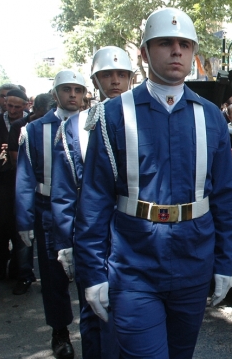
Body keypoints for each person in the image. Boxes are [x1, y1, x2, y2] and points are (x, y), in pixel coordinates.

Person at [74, 7, 232, 358]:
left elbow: (225, 197)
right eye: (165, 42)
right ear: (144, 52)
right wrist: (91, 273)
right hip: (134, 268)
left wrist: (225, 263)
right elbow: (94, 202)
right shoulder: (112, 115)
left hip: (194, 264)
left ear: (194, 53)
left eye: (185, 44)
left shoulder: (211, 116)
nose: (176, 51)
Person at [51, 46, 134, 358]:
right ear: (96, 79)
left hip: (132, 235)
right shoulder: (75, 125)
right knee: (93, 312)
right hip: (91, 235)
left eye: (121, 74)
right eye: (106, 75)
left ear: (131, 77)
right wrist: (65, 242)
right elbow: (64, 190)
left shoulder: (145, 118)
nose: (114, 81)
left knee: (133, 315)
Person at [16, 70, 87, 359]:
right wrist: (24, 219)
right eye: (66, 89)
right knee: (54, 274)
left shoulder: (93, 125)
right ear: (55, 93)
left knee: (91, 272)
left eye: (78, 89)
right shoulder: (34, 130)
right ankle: (60, 332)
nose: (73, 95)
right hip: (48, 210)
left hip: (87, 210)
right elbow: (24, 177)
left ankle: (95, 328)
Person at [9, 93, 53, 295]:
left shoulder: (59, 127)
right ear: (35, 110)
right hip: (30, 191)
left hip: (49, 196)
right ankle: (24, 275)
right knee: (25, 239)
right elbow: (19, 162)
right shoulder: (24, 128)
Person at [0, 89, 29, 281]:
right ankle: (1, 266)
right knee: (2, 225)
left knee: (22, 229)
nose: (12, 110)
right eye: (9, 106)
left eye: (17, 107)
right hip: (2, 182)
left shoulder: (29, 123)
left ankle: (20, 273)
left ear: (25, 106)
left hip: (23, 182)